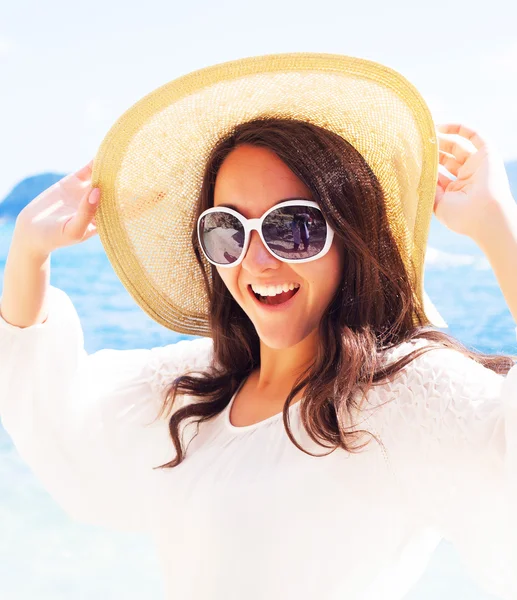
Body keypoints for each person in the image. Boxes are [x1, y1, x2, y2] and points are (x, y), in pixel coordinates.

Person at [1, 53, 517, 600]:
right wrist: (28, 254)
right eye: (227, 230)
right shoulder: (200, 386)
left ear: (350, 234)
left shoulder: (404, 397)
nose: (257, 260)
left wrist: (497, 229)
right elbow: (57, 418)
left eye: (293, 227)